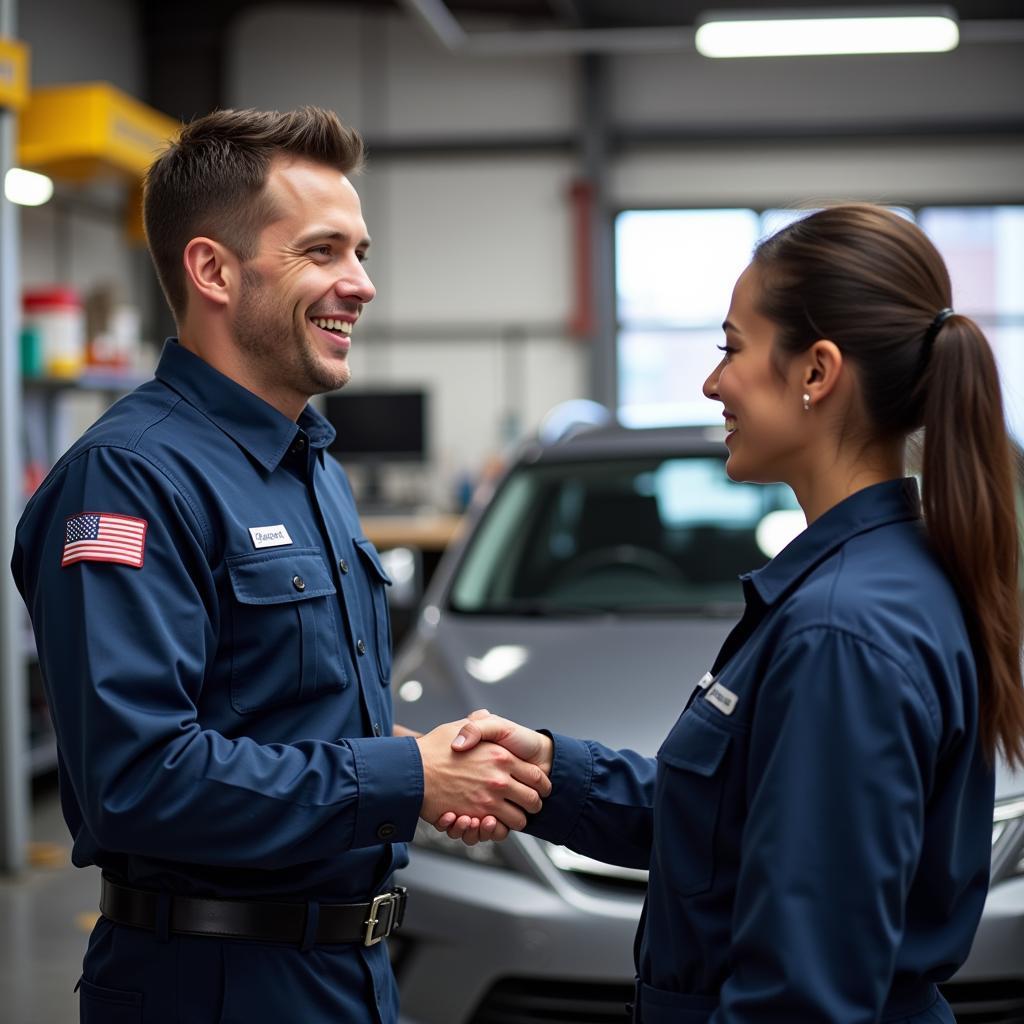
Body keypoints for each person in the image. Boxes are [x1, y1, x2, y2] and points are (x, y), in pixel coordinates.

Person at [11, 106, 550, 1024]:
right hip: (215, 986)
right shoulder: (130, 480)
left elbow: (298, 723)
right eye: (324, 251)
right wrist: (405, 778)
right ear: (213, 270)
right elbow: (137, 780)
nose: (362, 284)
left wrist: (428, 774)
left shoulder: (310, 466)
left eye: (362, 252)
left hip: (349, 975)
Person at [439, 204, 1024, 1023]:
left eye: (732, 349)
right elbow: (732, 822)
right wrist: (542, 769)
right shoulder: (882, 580)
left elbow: (799, 1001)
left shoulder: (840, 632)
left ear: (817, 372)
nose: (714, 382)